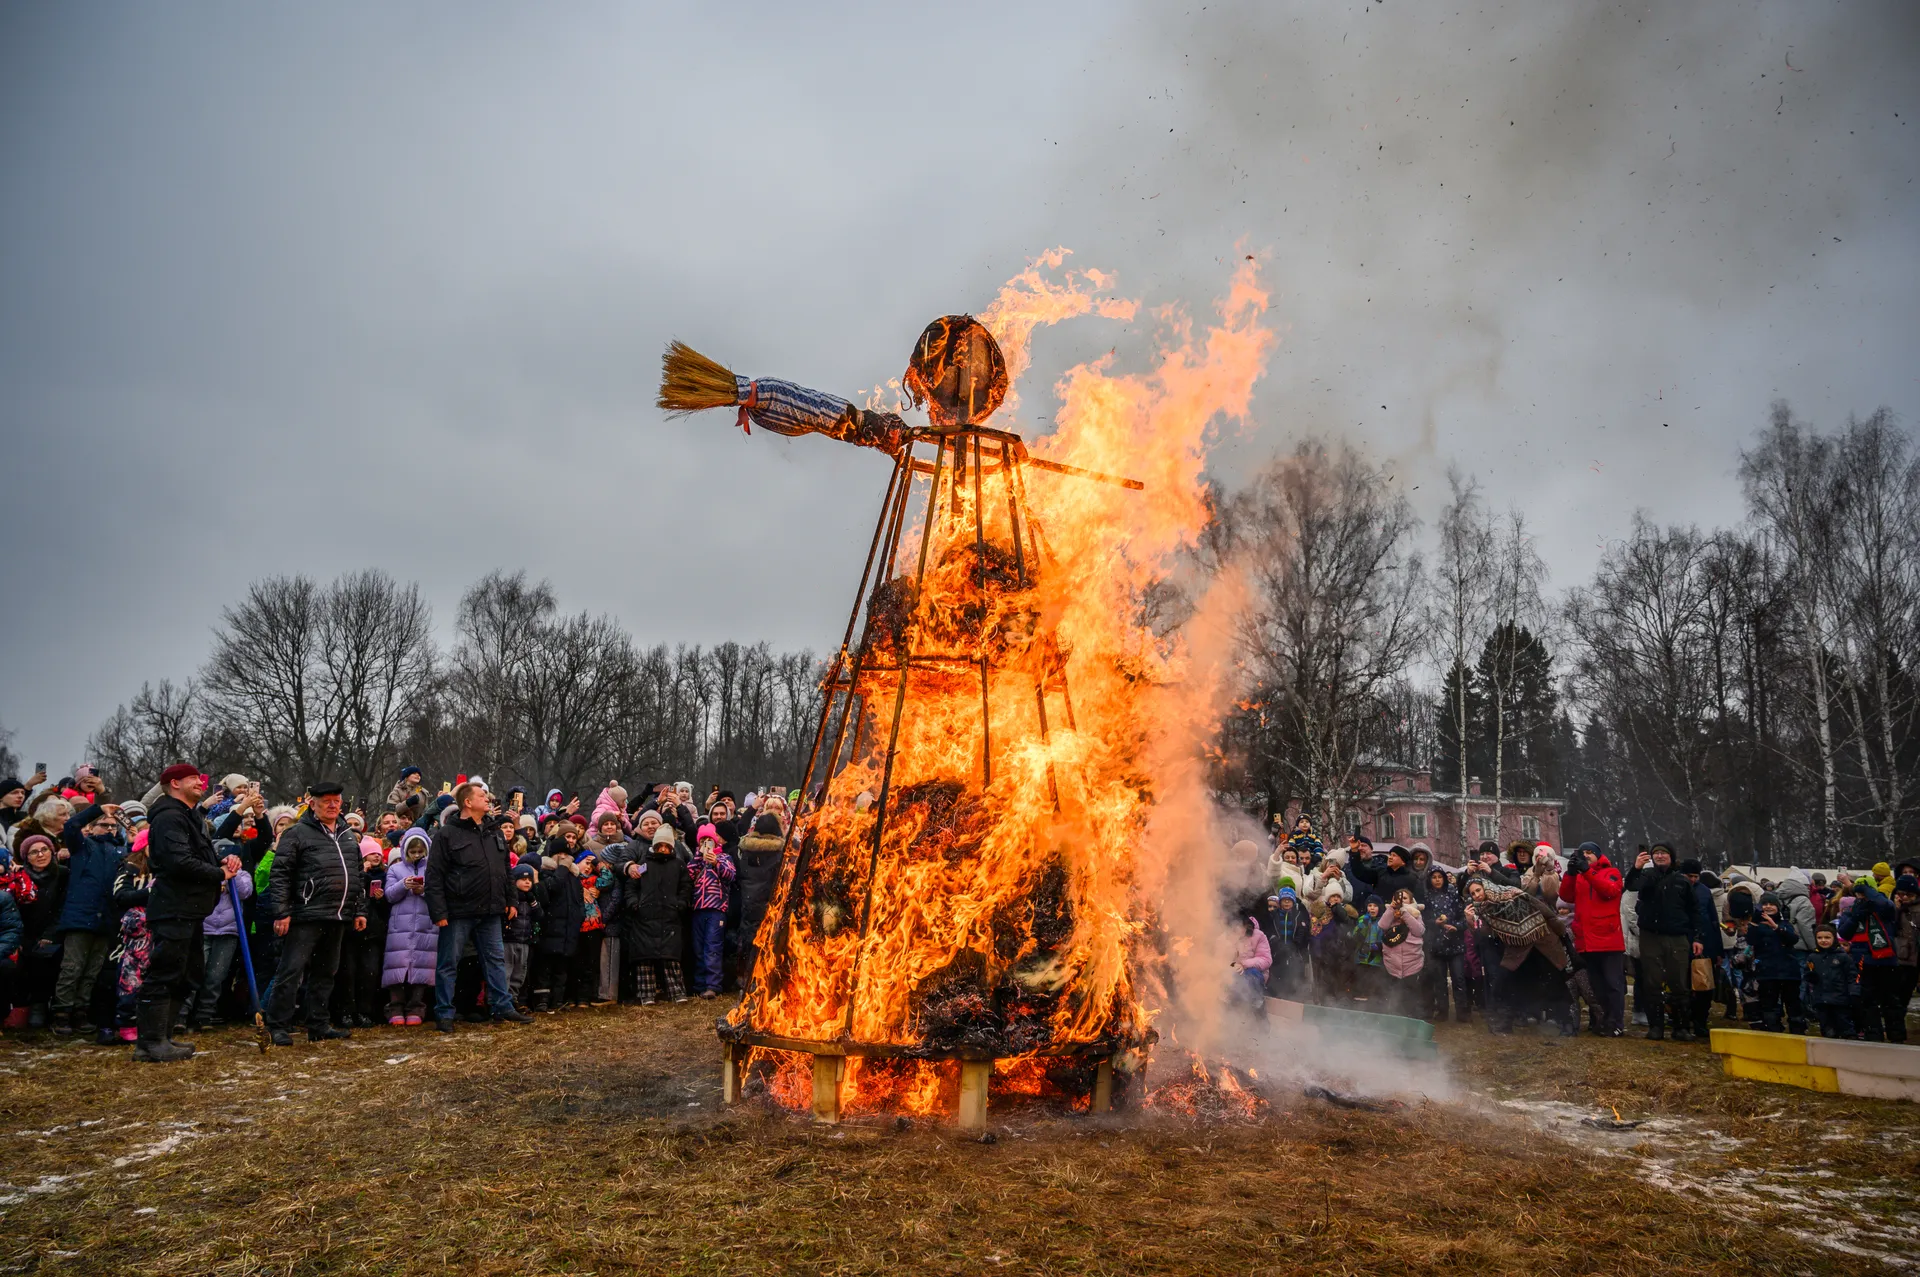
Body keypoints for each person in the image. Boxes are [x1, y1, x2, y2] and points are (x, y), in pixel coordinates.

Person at [140, 764, 240, 1062]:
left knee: (186, 973)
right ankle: (150, 1042)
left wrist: (223, 860)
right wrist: (218, 873)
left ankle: (164, 1037)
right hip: (174, 907)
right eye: (193, 779)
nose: (201, 783)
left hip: (192, 909)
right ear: (174, 784)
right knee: (166, 972)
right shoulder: (170, 817)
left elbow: (199, 854)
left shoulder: (189, 815)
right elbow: (179, 862)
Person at [263, 782, 367, 1046]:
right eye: (326, 801)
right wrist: (282, 912)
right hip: (305, 914)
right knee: (291, 971)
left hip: (338, 914)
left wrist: (359, 909)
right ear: (313, 804)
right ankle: (278, 1025)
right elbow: (280, 874)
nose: (333, 806)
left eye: (336, 801)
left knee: (326, 972)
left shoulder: (346, 834)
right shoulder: (296, 833)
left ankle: (318, 1024)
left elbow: (357, 874)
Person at [425, 781, 529, 1032]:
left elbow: (505, 869)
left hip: (491, 910)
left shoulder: (493, 831)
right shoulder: (447, 834)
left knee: (495, 960)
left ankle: (502, 1007)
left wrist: (511, 900)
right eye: (482, 795)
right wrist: (438, 912)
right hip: (458, 911)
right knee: (449, 963)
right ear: (468, 802)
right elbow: (434, 876)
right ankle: (444, 1013)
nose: (488, 799)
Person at [50, 800, 127, 1035]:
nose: (109, 829)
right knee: (72, 967)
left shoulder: (121, 852)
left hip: (107, 917)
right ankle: (61, 1013)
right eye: (103, 825)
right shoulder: (83, 846)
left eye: (113, 826)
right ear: (92, 828)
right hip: (80, 916)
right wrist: (97, 810)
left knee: (93, 969)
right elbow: (71, 826)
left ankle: (81, 1011)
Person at [1626, 844, 1698, 1042]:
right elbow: (1631, 885)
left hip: (1677, 936)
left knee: (1679, 983)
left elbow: (1694, 911)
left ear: (1671, 857)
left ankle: (1681, 1027)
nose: (1659, 856)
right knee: (1652, 983)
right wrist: (1636, 867)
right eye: (1656, 853)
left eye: (1663, 853)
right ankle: (1655, 1027)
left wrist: (1697, 938)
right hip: (1651, 936)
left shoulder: (1682, 881)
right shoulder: (1647, 876)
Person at [1559, 842, 1626, 1036]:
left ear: (1598, 855)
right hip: (1587, 939)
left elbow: (1609, 891)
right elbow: (1566, 896)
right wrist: (1571, 873)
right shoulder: (1579, 875)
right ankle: (1603, 1020)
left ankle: (1616, 1023)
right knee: (1596, 985)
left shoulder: (1611, 872)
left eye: (1590, 852)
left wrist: (1587, 871)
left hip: (1608, 938)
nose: (1586, 855)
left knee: (1613, 984)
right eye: (1583, 853)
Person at [185, 841, 254, 1030]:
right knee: (194, 973)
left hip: (228, 931)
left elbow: (245, 892)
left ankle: (205, 1015)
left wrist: (234, 874)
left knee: (216, 976)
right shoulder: (206, 873)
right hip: (204, 928)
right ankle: (181, 1015)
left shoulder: (243, 875)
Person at [620, 825, 692, 1004]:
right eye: (659, 845)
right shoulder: (644, 863)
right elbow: (631, 886)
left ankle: (677, 992)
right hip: (645, 916)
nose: (663, 849)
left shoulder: (678, 865)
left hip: (670, 916)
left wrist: (681, 903)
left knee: (671, 958)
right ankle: (646, 994)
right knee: (645, 959)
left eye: (666, 845)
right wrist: (634, 904)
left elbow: (686, 886)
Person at [382, 828, 437, 1024]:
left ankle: (416, 1007)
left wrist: (423, 890)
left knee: (422, 967)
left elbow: (438, 894)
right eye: (412, 852)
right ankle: (395, 1007)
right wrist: (403, 885)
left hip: (425, 925)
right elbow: (388, 895)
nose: (416, 855)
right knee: (397, 967)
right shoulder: (395, 870)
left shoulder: (432, 870)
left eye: (419, 852)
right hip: (400, 926)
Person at [1838, 878, 1902, 1042]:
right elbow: (1844, 933)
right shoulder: (1852, 910)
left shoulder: (1883, 908)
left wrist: (1869, 892)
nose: (1861, 896)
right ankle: (1873, 1034)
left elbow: (1887, 905)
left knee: (1891, 1000)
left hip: (1886, 959)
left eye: (1864, 892)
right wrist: (1856, 917)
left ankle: (1896, 1035)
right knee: (1867, 1000)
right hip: (1863, 960)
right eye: (1858, 893)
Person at [688, 823, 735, 999]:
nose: (707, 844)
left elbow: (730, 876)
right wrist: (698, 859)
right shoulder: (696, 860)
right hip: (698, 909)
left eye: (710, 840)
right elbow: (688, 876)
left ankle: (713, 985)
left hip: (716, 909)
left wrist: (715, 862)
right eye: (703, 841)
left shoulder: (724, 858)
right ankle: (700, 984)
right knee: (698, 947)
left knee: (713, 946)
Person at [1746, 892, 1805, 1033]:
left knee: (1793, 1003)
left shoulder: (1785, 924)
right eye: (1765, 904)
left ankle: (1797, 1030)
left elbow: (1793, 939)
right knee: (1769, 1003)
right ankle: (1773, 1029)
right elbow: (1751, 941)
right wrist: (1753, 923)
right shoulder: (1757, 926)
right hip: (1767, 971)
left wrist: (1775, 927)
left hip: (1788, 971)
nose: (1768, 907)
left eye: (1771, 904)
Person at [1421, 868, 1470, 1023]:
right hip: (1436, 945)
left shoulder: (1454, 895)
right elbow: (1423, 920)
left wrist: (1455, 926)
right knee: (1439, 980)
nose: (1437, 880)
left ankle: (1462, 1012)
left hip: (1455, 944)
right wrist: (1434, 923)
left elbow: (1463, 918)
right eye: (1434, 877)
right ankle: (1442, 1011)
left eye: (1439, 877)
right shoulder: (1427, 897)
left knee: (1459, 978)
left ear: (1444, 879)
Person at [1804, 922, 1858, 1039]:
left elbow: (1851, 975)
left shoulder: (1842, 956)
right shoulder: (1813, 957)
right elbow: (1808, 972)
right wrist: (1809, 976)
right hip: (1821, 999)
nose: (1823, 940)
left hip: (1840, 999)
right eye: (1820, 938)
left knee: (1845, 1026)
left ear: (1834, 938)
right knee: (1826, 1027)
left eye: (1827, 937)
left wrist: (1853, 992)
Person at [1378, 889, 1426, 1016]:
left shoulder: (1416, 914)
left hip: (1412, 965)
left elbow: (1419, 931)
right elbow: (1382, 926)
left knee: (1411, 999)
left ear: (1411, 901)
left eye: (1405, 898)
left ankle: (1411, 1021)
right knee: (1394, 998)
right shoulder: (1391, 912)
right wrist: (1391, 909)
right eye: (1398, 898)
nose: (1401, 901)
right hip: (1392, 965)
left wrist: (1405, 912)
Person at [1263, 886, 1311, 999]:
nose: (1286, 902)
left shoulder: (1299, 915)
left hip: (1294, 952)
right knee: (1276, 978)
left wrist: (1295, 944)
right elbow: (1269, 931)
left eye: (1289, 900)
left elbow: (1303, 932)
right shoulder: (1274, 915)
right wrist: (1277, 943)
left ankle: (1293, 998)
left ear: (1293, 901)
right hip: (1277, 953)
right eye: (1284, 900)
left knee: (1294, 978)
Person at [1230, 916, 1271, 1012]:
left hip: (1255, 973)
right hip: (1236, 972)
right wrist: (1234, 965)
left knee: (1251, 974)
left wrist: (1243, 965)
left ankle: (1258, 1010)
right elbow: (1223, 959)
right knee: (1225, 976)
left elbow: (1266, 959)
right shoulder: (1229, 936)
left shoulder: (1259, 936)